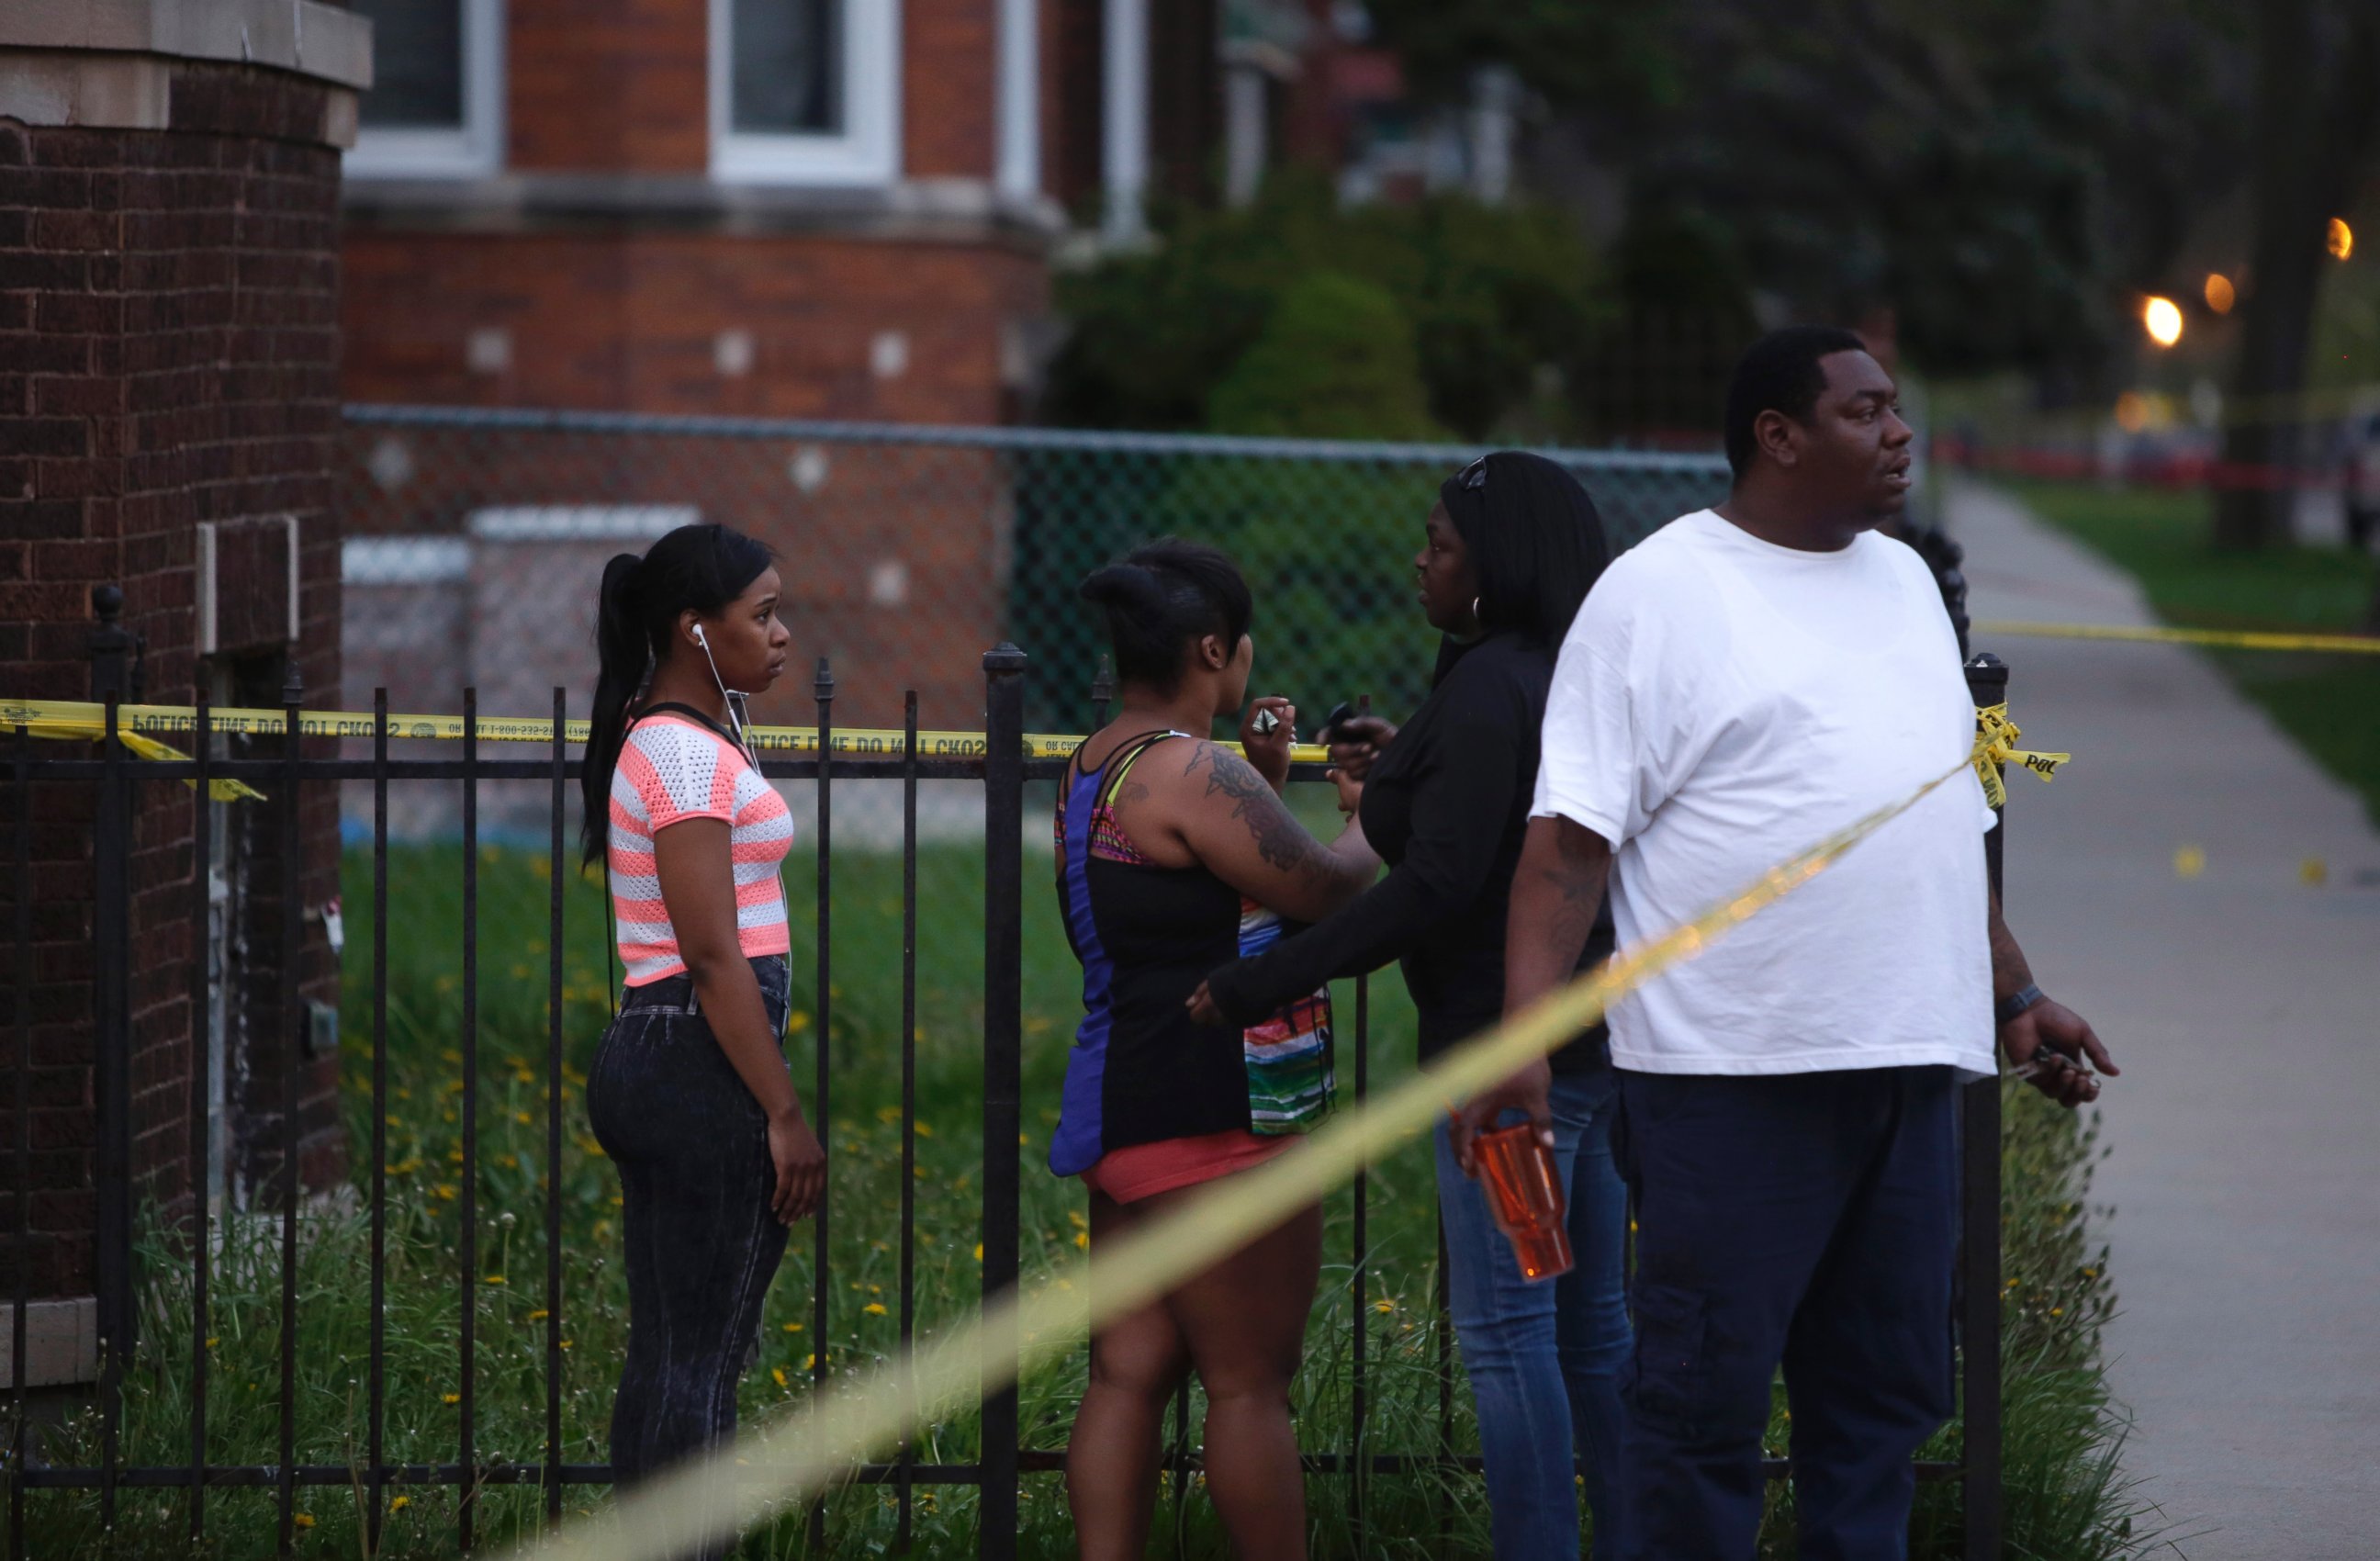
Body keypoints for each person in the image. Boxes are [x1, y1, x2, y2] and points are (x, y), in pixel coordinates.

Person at [1496, 326, 2118, 1560]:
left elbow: (1932, 815)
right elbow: (1567, 852)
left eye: (1897, 410)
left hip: (1907, 1077)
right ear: (1778, 437)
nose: (1900, 434)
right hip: (1731, 1085)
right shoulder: (1659, 595)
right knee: (1698, 1411)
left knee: (1880, 1409)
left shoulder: (1898, 585)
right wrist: (1516, 1046)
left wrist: (2017, 989)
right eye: (1866, 412)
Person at [1188, 451, 1634, 1559]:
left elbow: (1434, 887)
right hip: (1588, 1055)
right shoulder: (1556, 671)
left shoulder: (1488, 690)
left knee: (1509, 1331)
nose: (1419, 563)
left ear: (1494, 567)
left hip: (1502, 1076)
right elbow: (1481, 823)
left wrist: (1259, 981)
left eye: (1439, 547)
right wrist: (1411, 769)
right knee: (1591, 1333)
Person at [1050, 540, 1380, 1561]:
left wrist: (1266, 778)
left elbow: (1185, 898)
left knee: (1128, 1372)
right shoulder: (1194, 769)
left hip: (1125, 1104)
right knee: (1247, 1386)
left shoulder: (1102, 758)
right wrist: (1380, 812)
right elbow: (1326, 888)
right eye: (1240, 647)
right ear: (1212, 649)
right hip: (1218, 1110)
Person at [579, 523, 825, 1514]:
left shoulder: (677, 735)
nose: (783, 635)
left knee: (672, 1352)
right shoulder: (681, 755)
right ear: (695, 629)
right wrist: (783, 1113)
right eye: (762, 614)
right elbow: (714, 955)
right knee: (701, 1361)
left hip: (666, 1048)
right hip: (697, 1057)